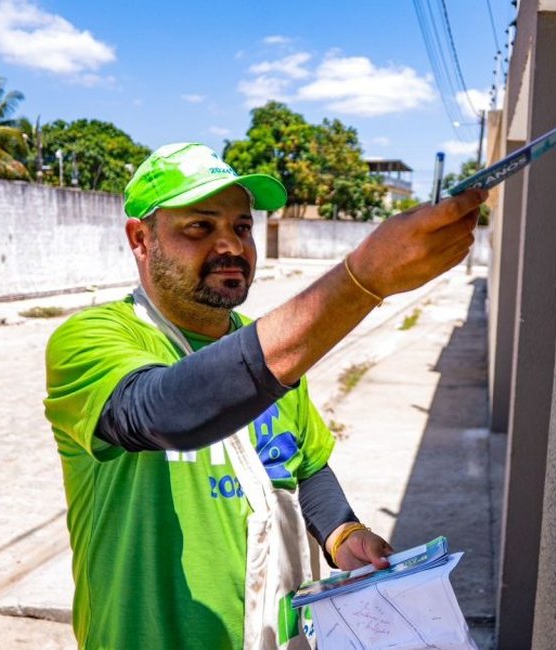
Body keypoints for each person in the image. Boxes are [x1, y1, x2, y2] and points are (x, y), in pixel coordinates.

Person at [43, 142, 486, 649]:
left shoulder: (269, 347)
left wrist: (343, 533)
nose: (231, 245)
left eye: (242, 227)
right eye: (200, 227)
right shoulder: (94, 338)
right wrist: (360, 280)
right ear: (140, 239)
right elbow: (164, 411)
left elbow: (305, 465)